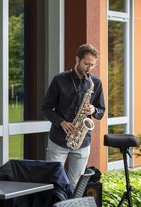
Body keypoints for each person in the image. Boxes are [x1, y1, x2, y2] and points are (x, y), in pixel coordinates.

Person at [41, 44, 105, 190]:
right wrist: (61, 122)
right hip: (59, 139)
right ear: (77, 59)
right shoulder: (59, 80)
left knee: (76, 183)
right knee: (54, 181)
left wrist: (94, 109)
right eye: (86, 64)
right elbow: (46, 108)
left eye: (92, 65)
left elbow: (101, 111)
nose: (89, 68)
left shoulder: (95, 83)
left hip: (82, 141)